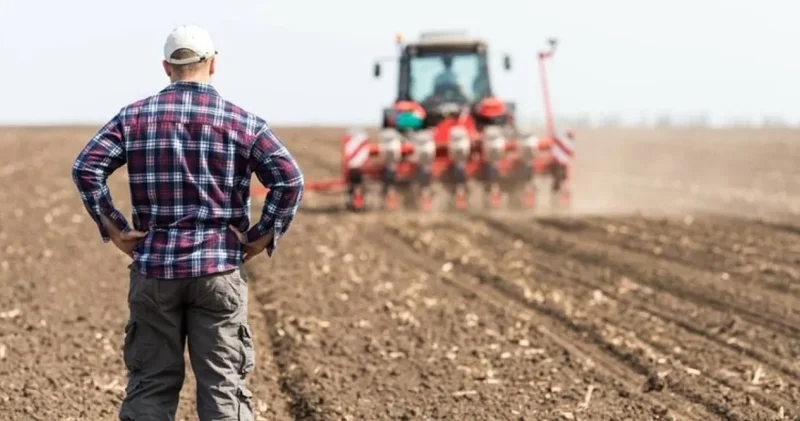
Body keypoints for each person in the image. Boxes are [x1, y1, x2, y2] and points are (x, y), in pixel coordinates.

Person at [71, 24, 304, 421]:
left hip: (155, 270)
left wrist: (115, 228)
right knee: (224, 391)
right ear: (213, 64)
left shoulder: (134, 118)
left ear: (166, 67)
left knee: (150, 388)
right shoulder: (243, 122)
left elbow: (86, 167)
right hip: (218, 271)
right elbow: (290, 179)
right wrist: (260, 236)